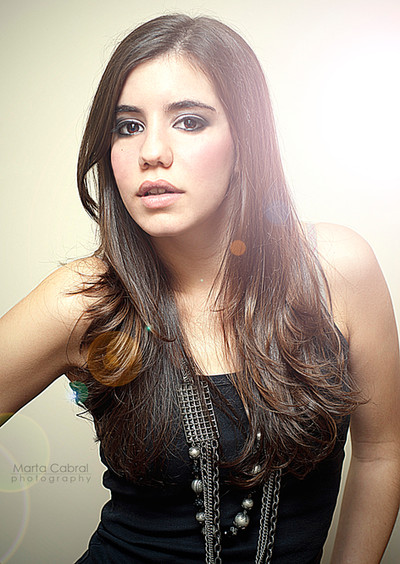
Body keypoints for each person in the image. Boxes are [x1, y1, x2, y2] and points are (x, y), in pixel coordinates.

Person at [1, 13, 399, 564]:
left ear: (246, 140)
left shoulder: (338, 270)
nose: (151, 151)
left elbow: (382, 452)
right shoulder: (86, 298)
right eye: (128, 126)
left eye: (189, 121)